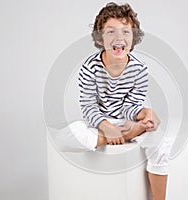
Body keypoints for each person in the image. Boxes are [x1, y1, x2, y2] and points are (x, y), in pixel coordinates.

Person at [54, 2, 172, 200]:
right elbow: (89, 106)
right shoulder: (89, 68)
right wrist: (108, 128)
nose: (119, 38)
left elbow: (130, 106)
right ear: (100, 39)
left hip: (127, 123)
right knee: (64, 138)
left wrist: (143, 114)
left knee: (161, 143)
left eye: (126, 31)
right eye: (110, 32)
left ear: (133, 37)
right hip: (99, 124)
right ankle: (128, 136)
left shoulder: (140, 69)